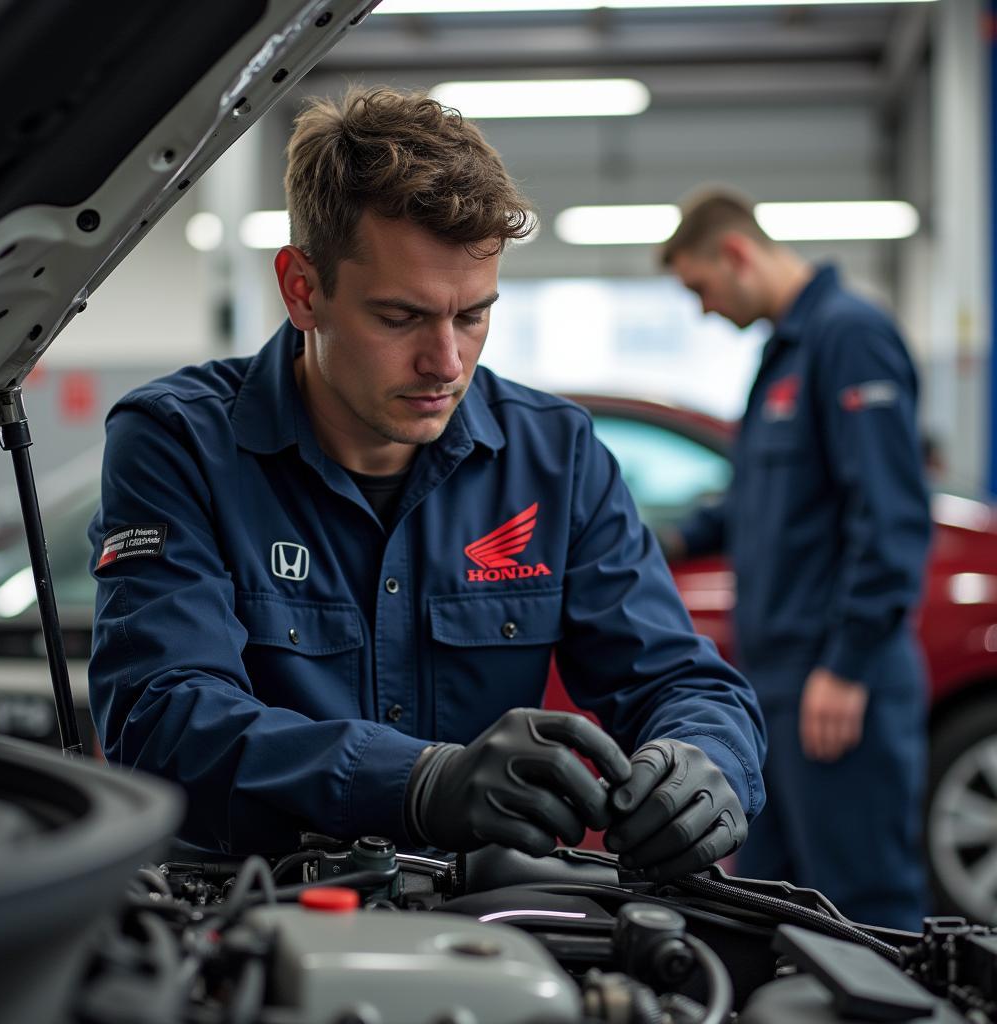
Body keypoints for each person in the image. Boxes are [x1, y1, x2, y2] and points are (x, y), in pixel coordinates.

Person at [88, 89, 765, 874]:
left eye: (473, 315)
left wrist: (704, 761)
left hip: (479, 919)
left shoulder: (556, 457)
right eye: (401, 318)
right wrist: (415, 782)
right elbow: (162, 717)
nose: (446, 364)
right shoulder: (180, 444)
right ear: (302, 288)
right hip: (245, 914)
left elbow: (679, 677)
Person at [659, 190, 931, 930]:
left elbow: (893, 515)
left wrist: (848, 666)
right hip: (773, 683)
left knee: (863, 905)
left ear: (737, 254)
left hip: (833, 681)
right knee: (768, 904)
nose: (705, 309)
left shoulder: (851, 337)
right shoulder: (784, 354)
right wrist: (660, 540)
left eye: (701, 288)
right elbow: (754, 500)